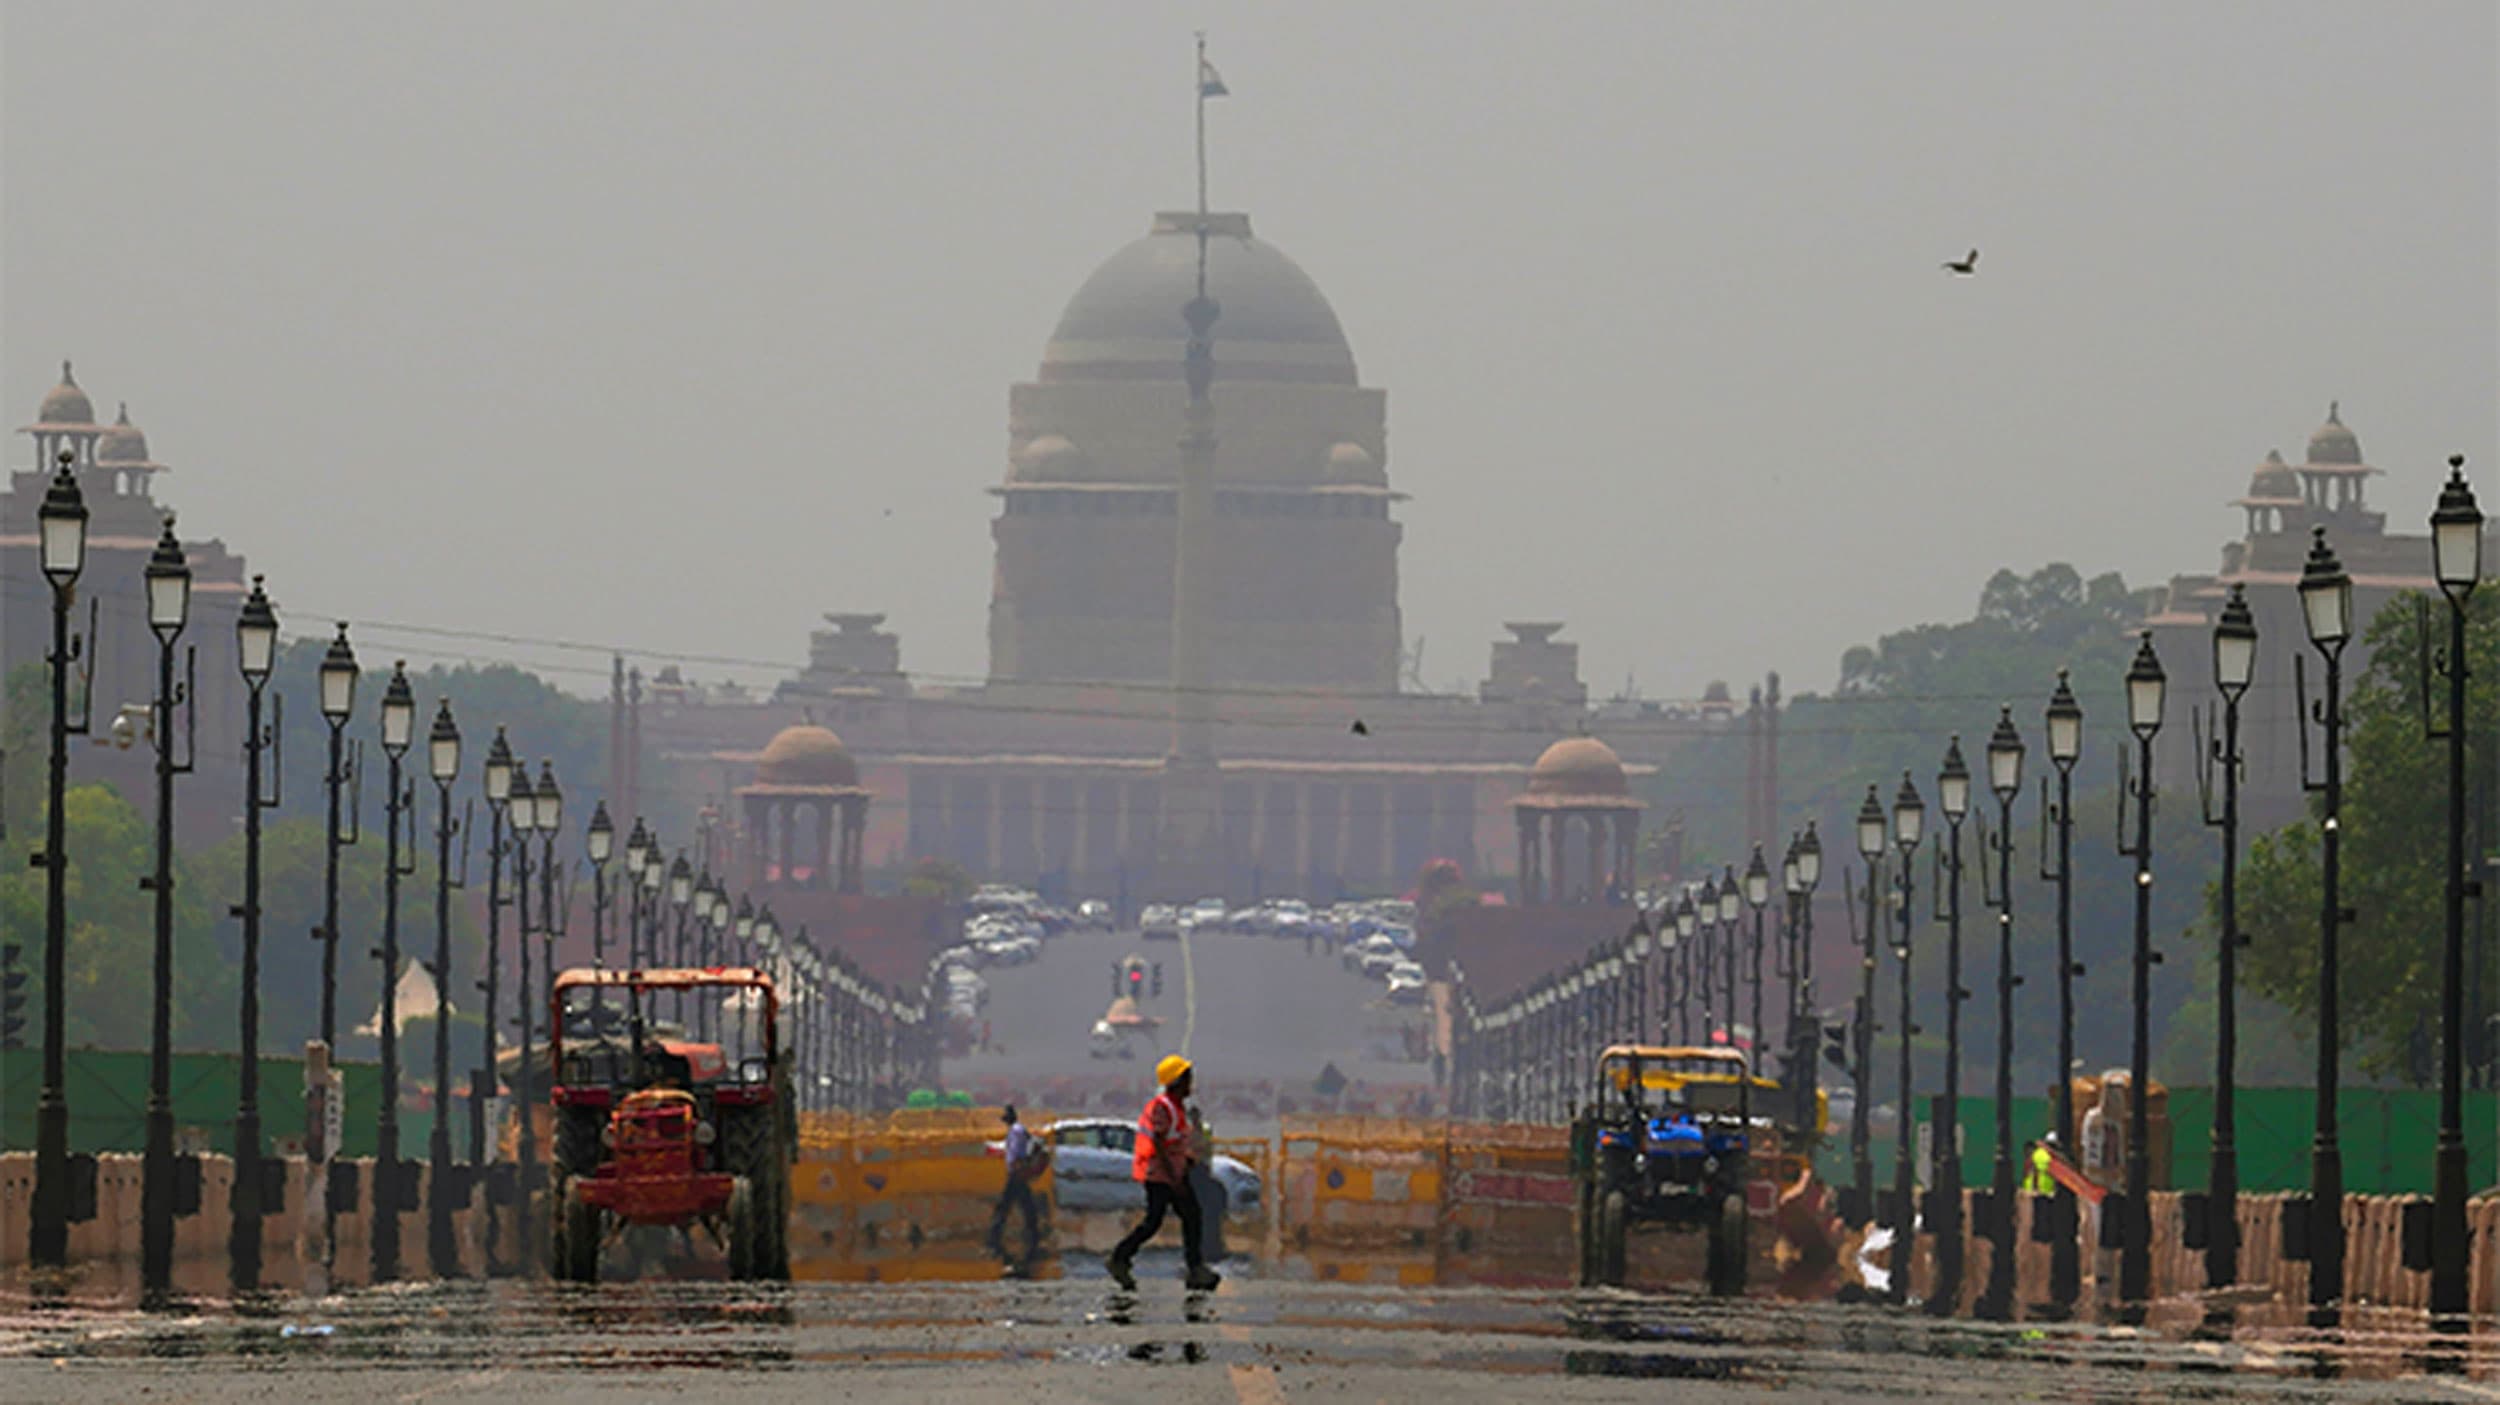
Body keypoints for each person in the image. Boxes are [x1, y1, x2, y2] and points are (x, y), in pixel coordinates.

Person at [1106, 1055, 1220, 1292]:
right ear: (1176, 1082)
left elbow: (1173, 1141)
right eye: (1187, 1080)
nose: (1191, 1086)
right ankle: (1120, 1257)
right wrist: (1173, 1176)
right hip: (1161, 1176)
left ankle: (1194, 1267)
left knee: (1190, 1216)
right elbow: (1158, 1142)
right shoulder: (1162, 1106)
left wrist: (1185, 1160)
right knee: (1157, 1221)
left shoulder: (1176, 1108)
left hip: (1173, 1173)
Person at [988, 1105, 1044, 1266]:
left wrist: (1015, 1165)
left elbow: (1016, 1152)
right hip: (1018, 1172)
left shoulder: (1016, 1132)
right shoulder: (1017, 1130)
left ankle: (995, 1235)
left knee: (1006, 1204)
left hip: (1016, 1172)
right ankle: (1033, 1232)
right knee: (1025, 1204)